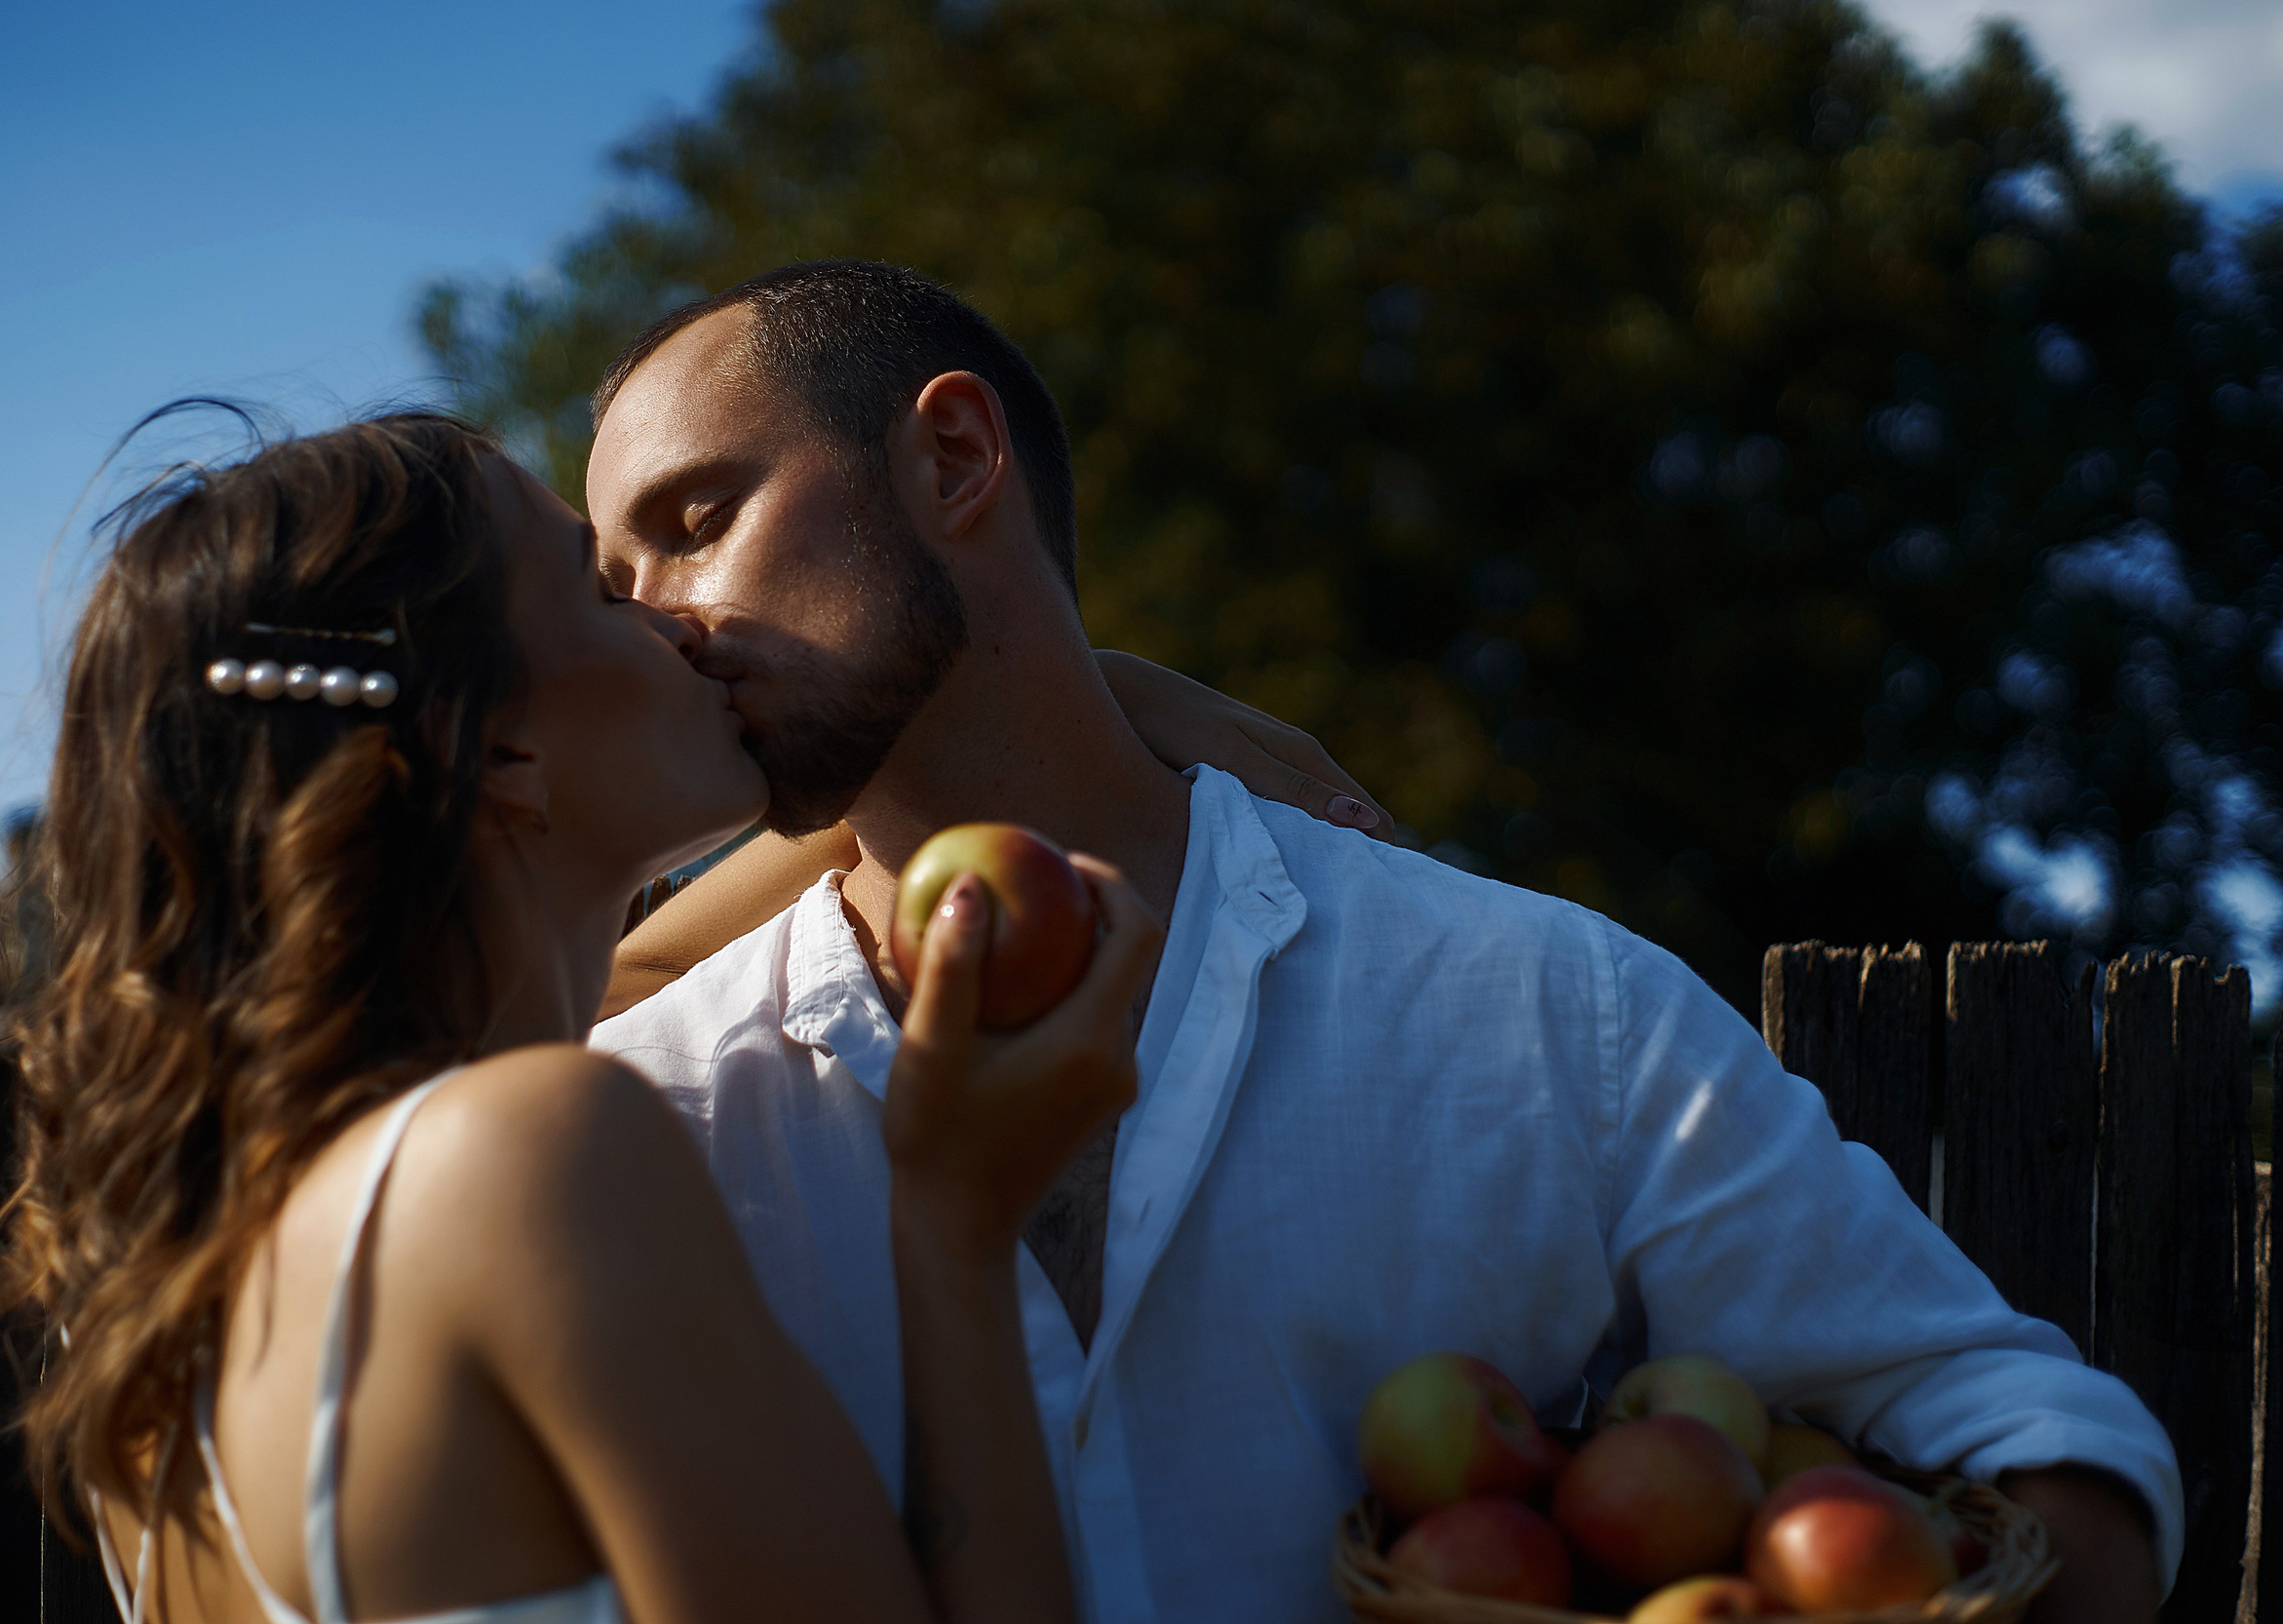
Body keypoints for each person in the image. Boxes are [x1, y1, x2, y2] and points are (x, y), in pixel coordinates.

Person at [582, 260, 2178, 1624]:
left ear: (951, 457)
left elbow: (2029, 1440)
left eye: (697, 519)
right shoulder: (639, 1117)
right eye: (613, 579)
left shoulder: (1545, 1005)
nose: (649, 618)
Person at [0, 407, 1348, 1624]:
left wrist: (1078, 706)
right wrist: (952, 1233)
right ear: (501, 748)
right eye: (598, 582)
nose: (678, 619)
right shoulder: (525, 1151)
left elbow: (638, 958)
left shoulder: (196, 1335)